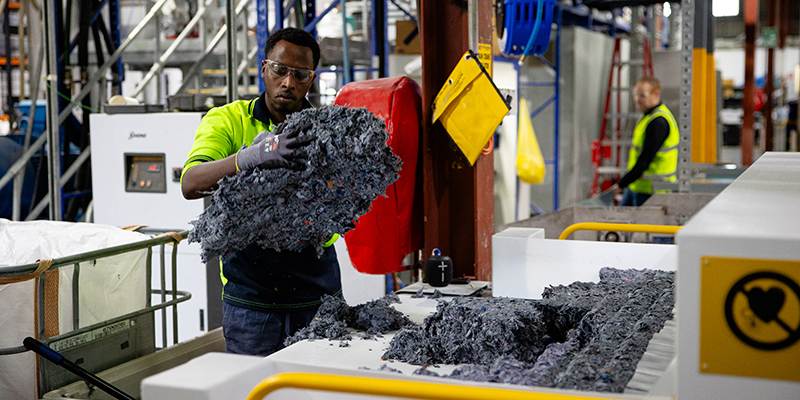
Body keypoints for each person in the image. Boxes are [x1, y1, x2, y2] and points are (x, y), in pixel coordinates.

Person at [180, 27, 342, 356]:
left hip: (319, 298)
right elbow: (191, 182)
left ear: (311, 79)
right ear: (264, 68)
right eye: (280, 70)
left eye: (300, 74)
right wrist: (252, 156)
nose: (288, 83)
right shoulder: (228, 120)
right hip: (252, 304)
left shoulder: (330, 130)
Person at [612, 76, 679, 206]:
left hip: (652, 192)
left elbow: (644, 161)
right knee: (618, 224)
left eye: (642, 95)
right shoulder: (647, 117)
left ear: (656, 94)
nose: (637, 100)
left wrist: (621, 184)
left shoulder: (659, 122)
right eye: (635, 95)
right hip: (636, 187)